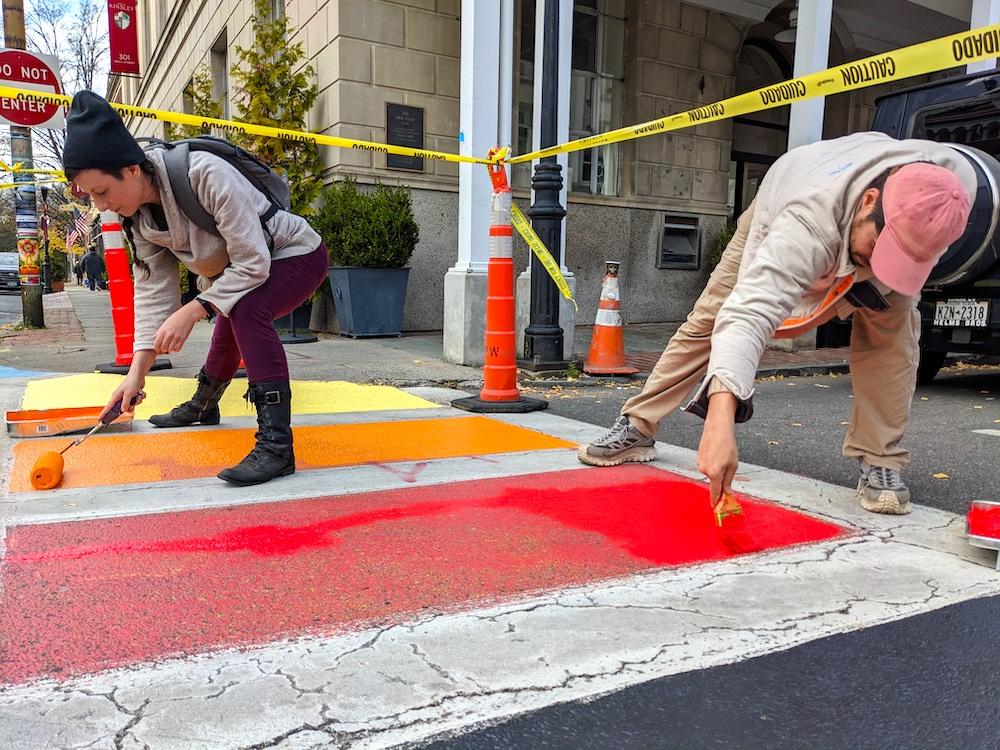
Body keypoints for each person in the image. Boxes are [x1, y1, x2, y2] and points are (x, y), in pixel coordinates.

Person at [578, 132, 974, 516]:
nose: (876, 268)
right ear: (869, 202)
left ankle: (880, 458)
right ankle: (639, 423)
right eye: (876, 249)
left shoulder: (953, 194)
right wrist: (719, 423)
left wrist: (887, 270)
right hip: (783, 196)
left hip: (885, 214)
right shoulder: (808, 219)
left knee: (894, 337)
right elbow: (749, 314)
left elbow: (899, 251)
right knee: (711, 316)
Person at [61, 91, 329, 487]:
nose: (101, 206)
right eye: (91, 196)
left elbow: (253, 262)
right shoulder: (141, 219)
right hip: (243, 274)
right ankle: (204, 404)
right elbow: (154, 295)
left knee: (243, 309)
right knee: (231, 312)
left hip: (297, 255)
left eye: (102, 191)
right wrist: (137, 375)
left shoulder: (203, 173)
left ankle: (277, 446)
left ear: (132, 169)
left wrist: (193, 309)